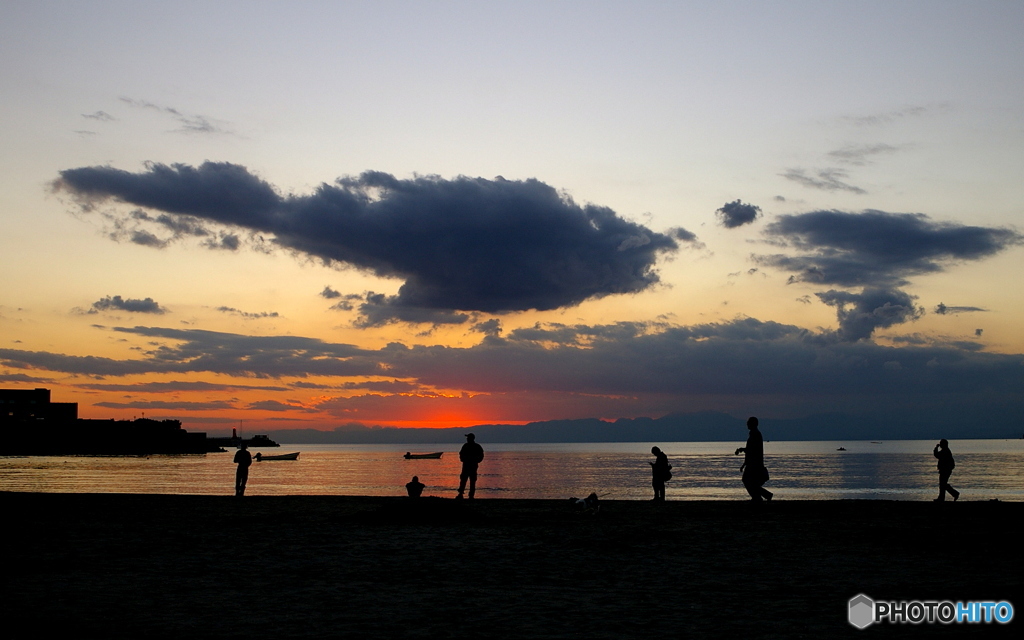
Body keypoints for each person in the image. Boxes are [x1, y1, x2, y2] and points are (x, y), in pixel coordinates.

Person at [734, 416, 772, 502]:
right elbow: (751, 450)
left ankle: (760, 497)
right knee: (751, 482)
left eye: (749, 422)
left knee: (748, 481)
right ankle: (760, 496)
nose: (747, 424)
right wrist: (744, 463)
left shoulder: (755, 434)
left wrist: (743, 450)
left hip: (754, 464)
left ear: (753, 424)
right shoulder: (754, 434)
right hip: (753, 463)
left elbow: (752, 450)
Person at [457, 433, 484, 499]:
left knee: (471, 480)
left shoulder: (473, 446)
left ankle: (470, 495)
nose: (467, 439)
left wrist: (477, 460)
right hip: (468, 465)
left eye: (468, 438)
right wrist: (462, 459)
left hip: (471, 465)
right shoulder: (467, 446)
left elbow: (481, 455)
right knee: (465, 480)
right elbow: (461, 454)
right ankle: (462, 494)